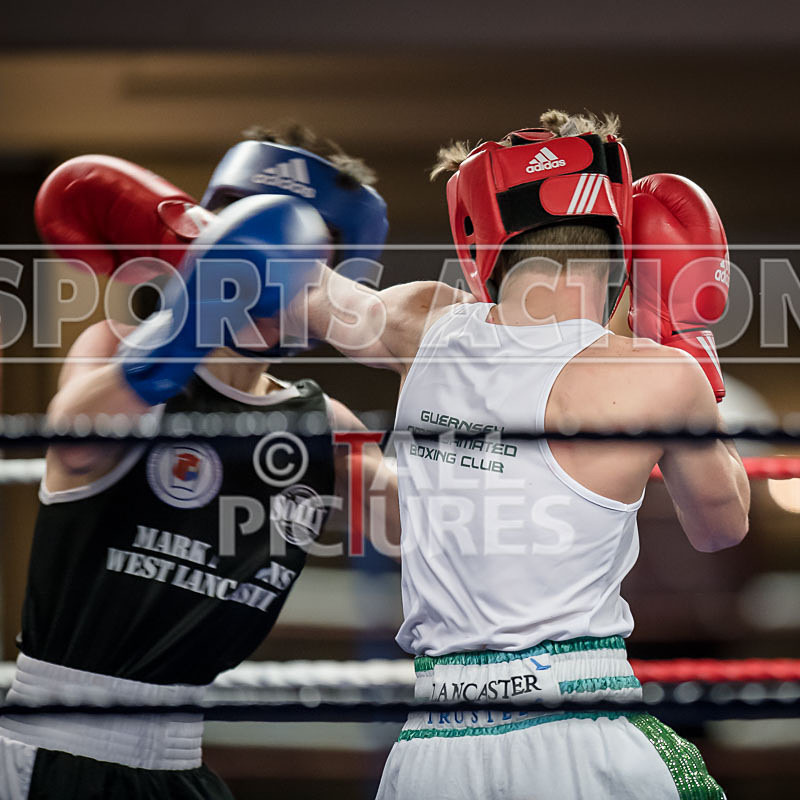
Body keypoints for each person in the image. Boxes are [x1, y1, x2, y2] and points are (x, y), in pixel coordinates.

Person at [280, 110, 750, 798]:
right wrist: (690, 347)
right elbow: (722, 527)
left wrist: (219, 209)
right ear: (619, 244)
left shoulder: (422, 321)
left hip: (434, 746)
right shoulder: (659, 377)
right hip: (582, 724)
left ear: (480, 237)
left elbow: (289, 284)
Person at [0, 131, 399, 799]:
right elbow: (76, 434)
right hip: (51, 749)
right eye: (253, 234)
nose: (268, 262)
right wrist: (195, 314)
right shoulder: (119, 353)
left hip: (178, 762)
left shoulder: (325, 429)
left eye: (293, 250)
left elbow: (427, 524)